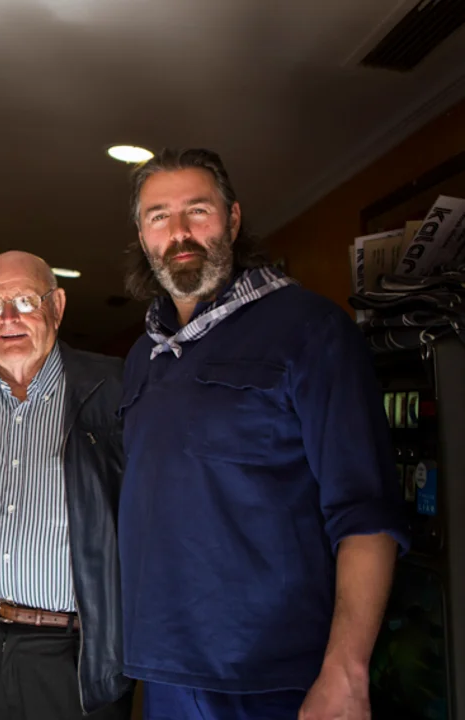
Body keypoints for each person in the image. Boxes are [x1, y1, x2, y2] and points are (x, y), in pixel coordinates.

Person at [118, 148, 409, 720]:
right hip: (165, 670)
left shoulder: (311, 329)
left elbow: (367, 511)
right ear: (143, 236)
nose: (179, 232)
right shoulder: (141, 356)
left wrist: (346, 671)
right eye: (159, 216)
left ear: (232, 219)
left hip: (275, 676)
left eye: (197, 210)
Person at [0, 251, 133, 720]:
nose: (8, 318)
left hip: (75, 652)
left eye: (26, 301)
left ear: (58, 305)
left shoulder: (119, 392)